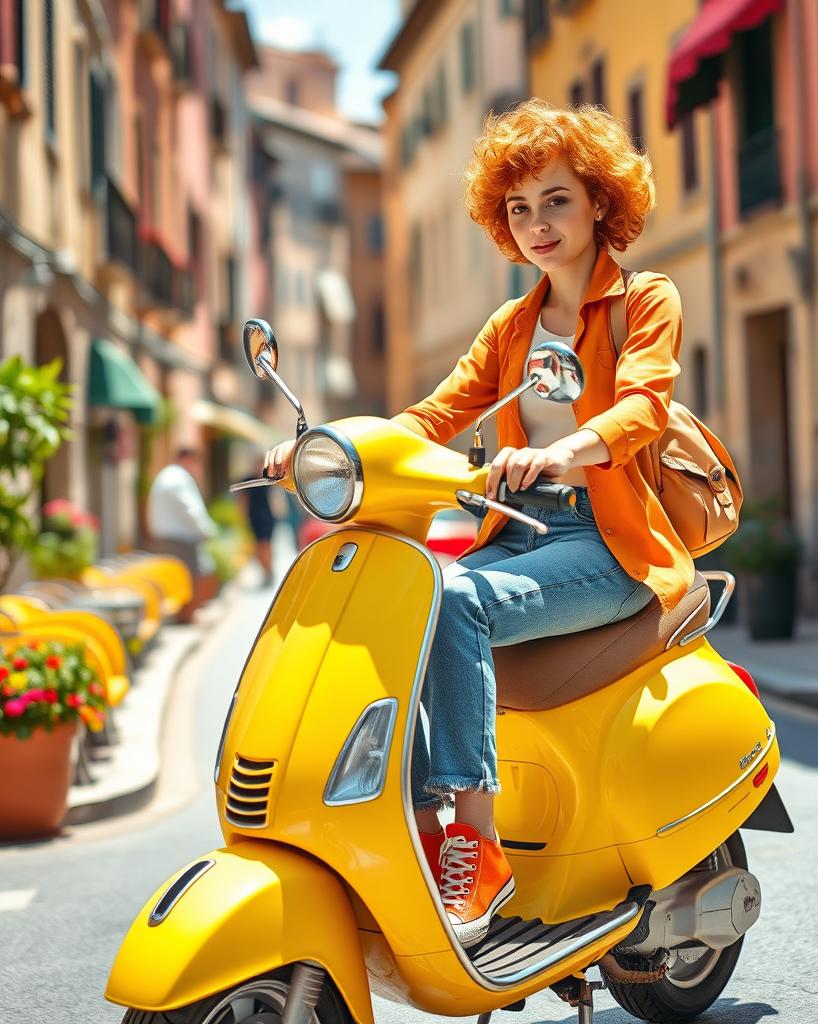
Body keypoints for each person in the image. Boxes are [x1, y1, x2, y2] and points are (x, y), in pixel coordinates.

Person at [263, 100, 693, 945]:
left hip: (608, 545)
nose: (537, 224)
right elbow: (431, 416)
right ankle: (416, 821)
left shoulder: (646, 299)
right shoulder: (512, 326)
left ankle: (478, 842)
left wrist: (568, 450)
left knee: (454, 600)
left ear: (600, 200)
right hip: (519, 533)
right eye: (520, 208)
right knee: (408, 605)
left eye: (557, 200)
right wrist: (320, 451)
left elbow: (646, 401)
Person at [147, 446, 218, 620]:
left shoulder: (165, 475)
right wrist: (207, 530)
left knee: (173, 579)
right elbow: (191, 509)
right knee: (195, 577)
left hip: (164, 535)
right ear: (188, 459)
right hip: (181, 538)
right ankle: (187, 617)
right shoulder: (179, 477)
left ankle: (181, 616)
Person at [237, 457, 277, 586]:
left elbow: (275, 498)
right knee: (259, 547)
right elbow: (243, 500)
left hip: (267, 517)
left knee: (266, 545)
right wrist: (243, 517)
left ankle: (268, 571)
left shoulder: (267, 479)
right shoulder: (248, 480)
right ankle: (267, 571)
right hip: (255, 517)